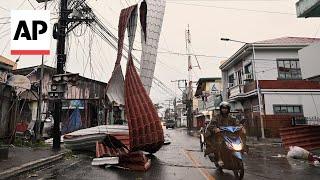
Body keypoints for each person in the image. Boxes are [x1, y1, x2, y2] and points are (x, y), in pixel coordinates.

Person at [204, 101, 247, 166]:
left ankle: (243, 149)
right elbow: (211, 125)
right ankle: (219, 158)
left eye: (226, 108)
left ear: (228, 109)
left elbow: (237, 124)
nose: (224, 110)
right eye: (223, 108)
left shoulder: (232, 118)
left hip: (231, 135)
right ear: (221, 109)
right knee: (219, 143)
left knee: (240, 138)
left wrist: (241, 127)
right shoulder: (216, 117)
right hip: (220, 135)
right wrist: (215, 129)